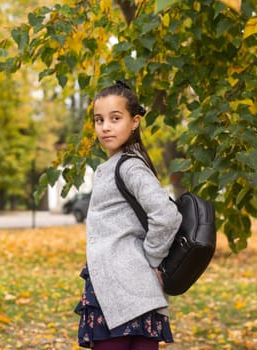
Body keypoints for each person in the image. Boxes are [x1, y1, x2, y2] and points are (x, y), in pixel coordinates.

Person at [74, 80, 183, 350]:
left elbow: (167, 215)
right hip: (126, 293)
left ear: (134, 122)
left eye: (115, 118)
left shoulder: (129, 166)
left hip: (123, 293)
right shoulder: (119, 165)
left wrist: (152, 258)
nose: (105, 127)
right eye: (99, 120)